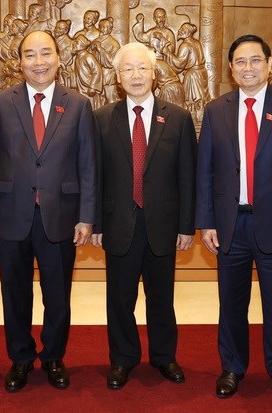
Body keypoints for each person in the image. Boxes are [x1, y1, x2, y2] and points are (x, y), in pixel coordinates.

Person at [195, 34, 272, 408]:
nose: (248, 67)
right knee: (230, 304)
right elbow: (206, 172)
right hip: (230, 225)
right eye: (240, 62)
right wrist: (206, 221)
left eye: (255, 60)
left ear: (269, 63)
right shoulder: (216, 110)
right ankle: (232, 368)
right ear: (231, 69)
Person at [0, 30, 95, 392]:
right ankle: (20, 358)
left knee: (57, 294)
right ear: (20, 62)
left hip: (61, 216)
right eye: (30, 55)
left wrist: (86, 216)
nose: (39, 61)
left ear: (59, 58)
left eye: (46, 53)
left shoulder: (78, 103)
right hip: (10, 215)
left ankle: (54, 357)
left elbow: (88, 164)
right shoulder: (0, 103)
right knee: (14, 294)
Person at [92, 42, 197, 389]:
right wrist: (95, 223)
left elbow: (187, 176)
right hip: (118, 224)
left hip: (163, 226)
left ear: (154, 74)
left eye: (142, 68)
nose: (136, 76)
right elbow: (95, 175)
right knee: (119, 299)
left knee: (162, 297)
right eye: (128, 70)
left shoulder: (179, 118)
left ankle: (165, 357)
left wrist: (186, 226)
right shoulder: (102, 118)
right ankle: (122, 359)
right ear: (118, 78)